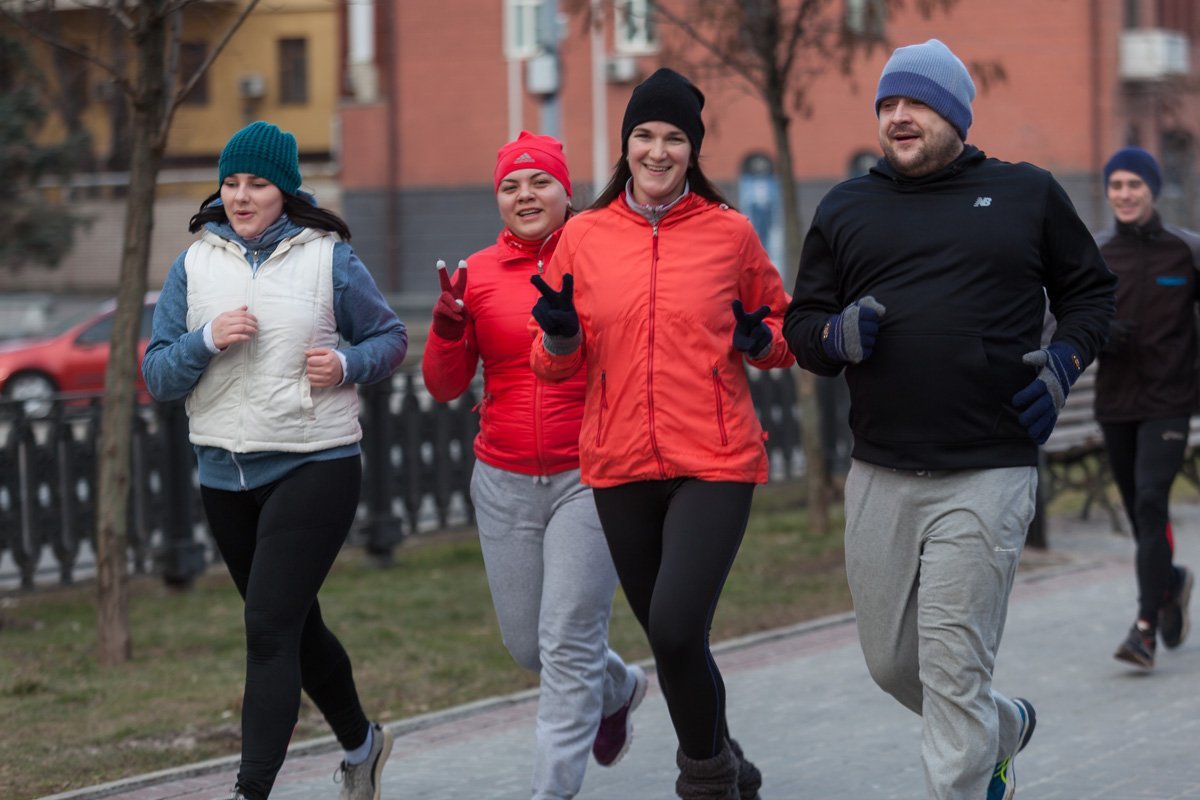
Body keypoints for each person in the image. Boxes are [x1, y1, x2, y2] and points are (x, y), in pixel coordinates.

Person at [782, 39, 1115, 800]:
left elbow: (1092, 297)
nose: (899, 116)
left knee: (953, 668)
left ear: (957, 114)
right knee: (893, 665)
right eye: (888, 104)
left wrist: (1062, 367)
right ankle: (1001, 728)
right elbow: (803, 324)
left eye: (917, 102)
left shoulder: (1026, 194)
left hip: (989, 469)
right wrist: (834, 335)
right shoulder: (845, 207)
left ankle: (968, 769)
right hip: (880, 473)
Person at [528, 67, 794, 800]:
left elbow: (782, 330)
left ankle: (706, 781)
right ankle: (730, 757)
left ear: (692, 149)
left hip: (715, 459)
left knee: (677, 629)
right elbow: (552, 366)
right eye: (644, 134)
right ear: (626, 144)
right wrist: (556, 339)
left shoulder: (729, 233)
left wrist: (757, 339)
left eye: (674, 137)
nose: (657, 150)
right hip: (619, 465)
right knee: (675, 645)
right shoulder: (583, 236)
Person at [141, 121, 407, 800]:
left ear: (283, 189)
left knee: (266, 629)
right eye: (230, 183)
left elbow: (390, 337)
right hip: (222, 472)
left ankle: (249, 790)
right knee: (294, 625)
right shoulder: (193, 265)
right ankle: (363, 745)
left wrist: (347, 363)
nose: (240, 196)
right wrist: (204, 339)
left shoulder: (329, 259)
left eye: (255, 183)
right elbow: (160, 377)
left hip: (314, 462)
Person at [421, 131, 647, 800]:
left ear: (565, 190)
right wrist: (448, 327)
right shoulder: (478, 273)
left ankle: (550, 791)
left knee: (567, 642)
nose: (525, 195)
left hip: (590, 475)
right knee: (531, 648)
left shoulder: (603, 255)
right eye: (511, 186)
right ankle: (619, 689)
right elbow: (442, 385)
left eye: (539, 182)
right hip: (503, 479)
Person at [1095, 146, 1197, 670]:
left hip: (1170, 402)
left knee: (1153, 500)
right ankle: (1172, 581)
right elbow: (1063, 319)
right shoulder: (1095, 253)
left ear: (1152, 190)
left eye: (1135, 184)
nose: (1125, 194)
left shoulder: (1187, 251)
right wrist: (1098, 334)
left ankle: (1144, 630)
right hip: (1115, 403)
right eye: (1116, 185)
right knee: (1141, 516)